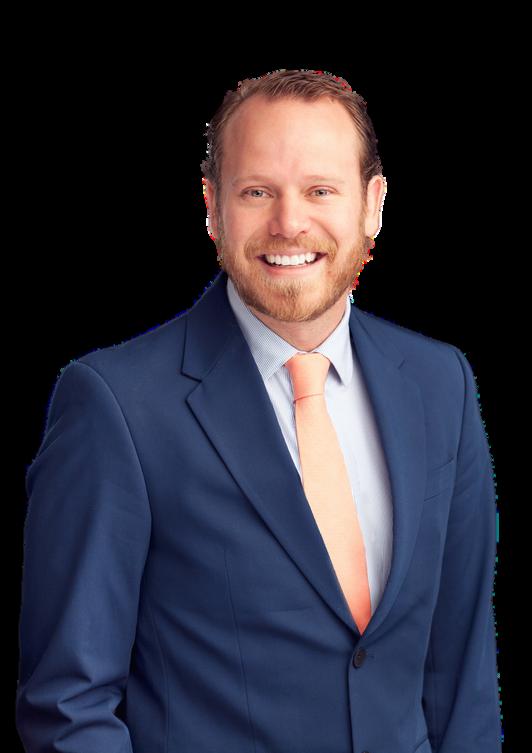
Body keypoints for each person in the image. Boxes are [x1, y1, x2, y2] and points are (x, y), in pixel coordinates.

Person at [16, 69, 502, 752]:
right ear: (212, 206)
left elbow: (462, 678)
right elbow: (69, 704)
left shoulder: (440, 383)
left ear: (373, 204)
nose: (289, 222)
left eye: (320, 190)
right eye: (257, 192)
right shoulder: (115, 405)